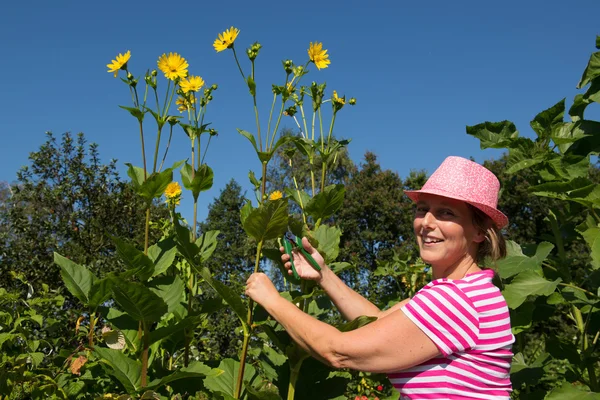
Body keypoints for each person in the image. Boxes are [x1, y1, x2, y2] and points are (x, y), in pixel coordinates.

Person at [245, 156, 515, 399]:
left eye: (447, 212)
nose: (426, 222)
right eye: (422, 209)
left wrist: (272, 300)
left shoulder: (455, 301)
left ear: (479, 231)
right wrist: (323, 275)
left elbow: (338, 351)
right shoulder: (465, 291)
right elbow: (376, 322)